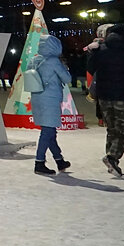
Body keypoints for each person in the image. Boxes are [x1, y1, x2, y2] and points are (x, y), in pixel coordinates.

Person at [89, 24, 124, 176]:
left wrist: (93, 52)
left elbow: (91, 68)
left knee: (112, 128)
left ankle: (112, 160)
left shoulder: (101, 50)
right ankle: (112, 157)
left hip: (104, 96)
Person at [29, 34, 72, 175]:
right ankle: (39, 162)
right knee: (47, 131)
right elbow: (67, 78)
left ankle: (59, 160)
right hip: (50, 99)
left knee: (50, 131)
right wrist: (65, 68)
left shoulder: (34, 59)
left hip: (37, 98)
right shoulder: (53, 61)